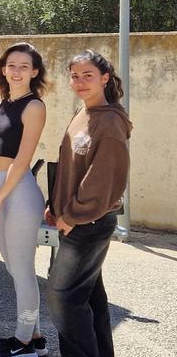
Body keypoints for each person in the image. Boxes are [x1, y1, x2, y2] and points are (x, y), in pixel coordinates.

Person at [45, 50, 131, 357]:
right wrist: (55, 205)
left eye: (88, 75)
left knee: (62, 298)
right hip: (74, 218)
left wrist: (72, 214)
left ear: (105, 78)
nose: (80, 82)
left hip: (87, 223)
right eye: (75, 76)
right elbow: (71, 166)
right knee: (88, 299)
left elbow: (103, 178)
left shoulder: (109, 123)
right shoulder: (85, 113)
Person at [0, 43, 49, 357]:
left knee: (22, 269)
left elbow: (22, 161)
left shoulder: (34, 106)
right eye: (11, 65)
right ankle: (34, 337)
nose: (17, 71)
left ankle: (22, 342)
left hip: (19, 190)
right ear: (3, 69)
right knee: (12, 266)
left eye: (24, 66)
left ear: (34, 72)